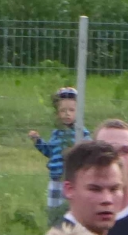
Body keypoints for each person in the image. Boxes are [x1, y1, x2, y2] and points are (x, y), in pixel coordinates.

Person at [28, 87, 91, 226]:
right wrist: (38, 141)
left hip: (71, 179)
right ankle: (55, 232)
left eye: (71, 110)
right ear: (57, 113)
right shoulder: (56, 133)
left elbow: (88, 152)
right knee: (54, 212)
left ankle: (72, 233)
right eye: (63, 110)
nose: (67, 114)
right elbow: (50, 152)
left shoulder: (81, 133)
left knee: (71, 212)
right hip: (55, 179)